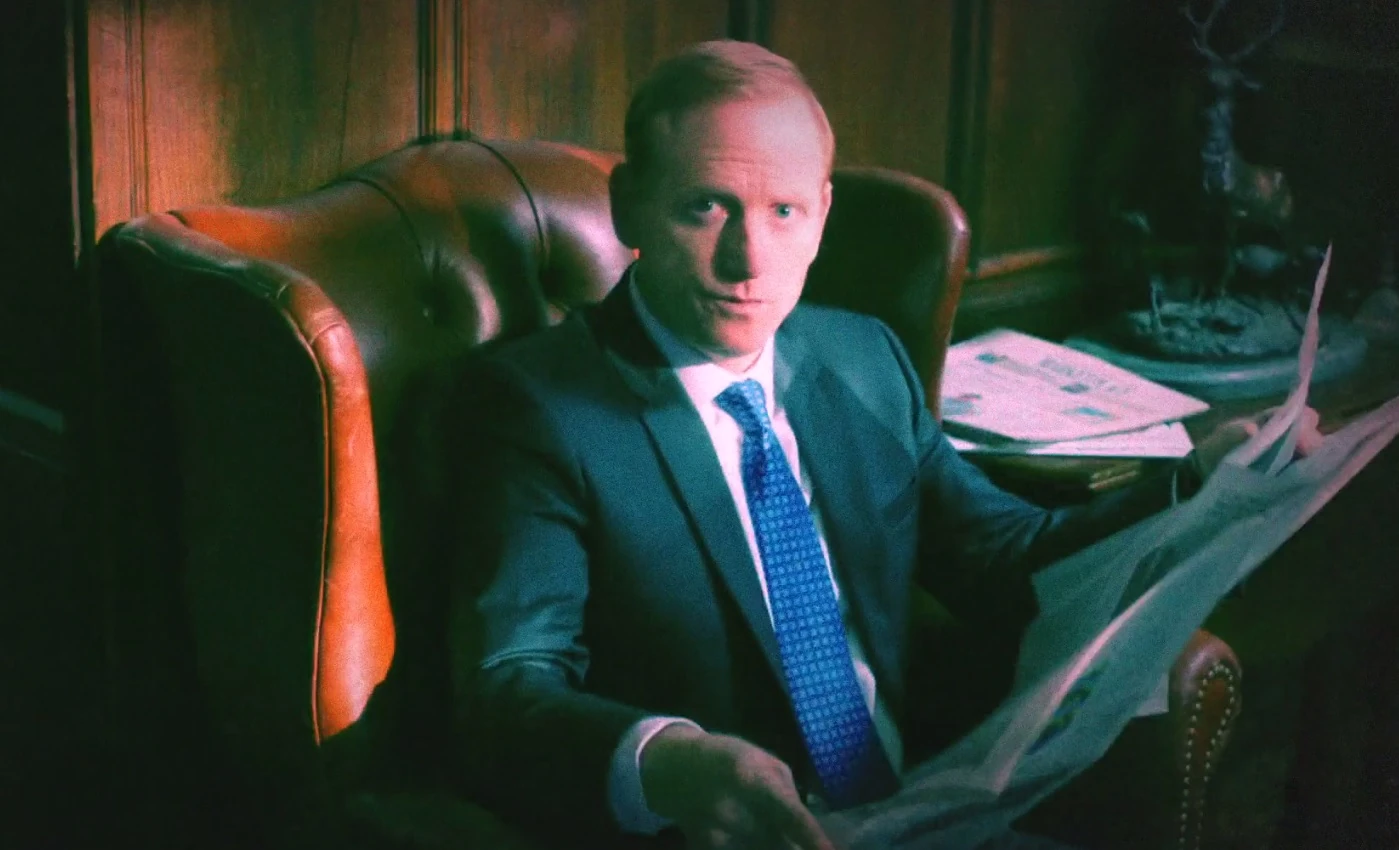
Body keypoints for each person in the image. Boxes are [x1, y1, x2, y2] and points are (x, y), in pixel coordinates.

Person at [447, 39, 1292, 850]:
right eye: (706, 206)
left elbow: (1003, 557)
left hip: (918, 811)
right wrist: (665, 762)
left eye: (783, 212)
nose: (748, 260)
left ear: (821, 217)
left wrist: (1197, 484)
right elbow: (507, 687)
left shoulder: (864, 358)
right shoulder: (537, 408)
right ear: (628, 203)